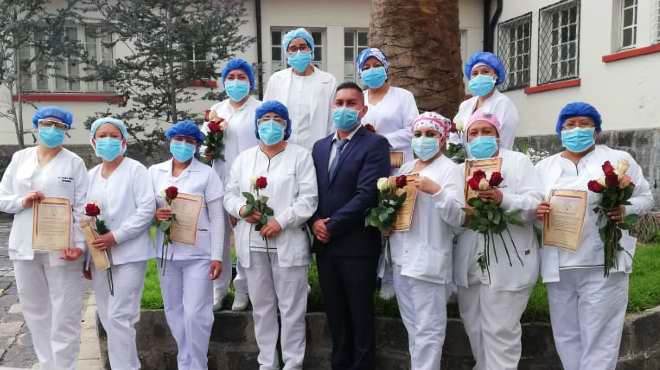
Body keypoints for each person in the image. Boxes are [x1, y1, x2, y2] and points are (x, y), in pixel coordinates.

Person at [535, 102, 654, 370]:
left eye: (584, 124)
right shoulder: (544, 167)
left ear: (596, 129)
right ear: (560, 130)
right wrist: (536, 211)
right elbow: (531, 204)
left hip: (603, 263)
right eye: (570, 125)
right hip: (560, 264)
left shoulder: (618, 160)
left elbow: (645, 196)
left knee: (601, 339)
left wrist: (626, 209)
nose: (576, 129)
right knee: (566, 336)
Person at [224, 100, 318, 370]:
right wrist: (242, 209)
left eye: (278, 119)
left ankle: (293, 364)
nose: (271, 124)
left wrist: (281, 221)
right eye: (265, 119)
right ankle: (267, 363)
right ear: (257, 125)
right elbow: (229, 194)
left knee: (292, 310)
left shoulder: (300, 156)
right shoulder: (244, 159)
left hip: (288, 243)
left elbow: (308, 199)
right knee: (262, 309)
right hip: (252, 245)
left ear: (286, 125)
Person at [0, 106, 88, 370]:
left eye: (59, 126)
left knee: (65, 313)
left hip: (62, 247)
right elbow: (2, 197)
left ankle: (65, 367)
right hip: (25, 245)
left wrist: (79, 243)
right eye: (47, 124)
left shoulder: (74, 162)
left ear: (66, 132)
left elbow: (82, 207)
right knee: (35, 310)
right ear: (37, 126)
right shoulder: (20, 158)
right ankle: (47, 364)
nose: (52, 130)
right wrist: (22, 200)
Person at [311, 82, 390, 370]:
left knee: (360, 316)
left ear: (363, 109)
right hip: (325, 247)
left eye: (351, 103)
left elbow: (368, 193)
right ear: (333, 107)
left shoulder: (375, 144)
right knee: (336, 317)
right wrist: (314, 221)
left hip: (357, 246)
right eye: (340, 102)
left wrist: (332, 224)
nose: (344, 108)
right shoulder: (320, 147)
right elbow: (311, 192)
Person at [454, 112, 543, 370]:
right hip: (470, 263)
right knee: (475, 329)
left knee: (501, 333)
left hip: (509, 261)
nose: (480, 138)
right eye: (474, 133)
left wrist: (502, 199)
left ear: (498, 134)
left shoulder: (518, 163)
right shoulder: (461, 169)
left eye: (487, 132)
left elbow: (535, 205)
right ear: (466, 138)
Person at [389, 112, 464, 370]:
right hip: (401, 259)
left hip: (429, 263)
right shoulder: (406, 168)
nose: (423, 140)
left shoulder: (450, 170)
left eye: (430, 135)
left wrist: (437, 191)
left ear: (442, 139)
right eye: (418, 134)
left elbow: (458, 217)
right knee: (413, 329)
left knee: (429, 331)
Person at [149, 120, 225, 370]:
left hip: (198, 253)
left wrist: (217, 256)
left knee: (196, 314)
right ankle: (185, 361)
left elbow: (216, 218)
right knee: (173, 310)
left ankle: (198, 364)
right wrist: (154, 216)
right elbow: (145, 209)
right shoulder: (154, 173)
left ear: (197, 146)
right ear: (170, 141)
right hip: (166, 252)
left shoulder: (207, 173)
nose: (183, 145)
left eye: (189, 141)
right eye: (178, 139)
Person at [85, 117, 156, 370]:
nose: (108, 140)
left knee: (120, 316)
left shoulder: (136, 170)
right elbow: (82, 218)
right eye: (102, 135)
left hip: (130, 253)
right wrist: (87, 255)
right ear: (93, 142)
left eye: (114, 135)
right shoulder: (90, 176)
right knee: (108, 317)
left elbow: (146, 210)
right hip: (100, 257)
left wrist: (116, 236)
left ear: (123, 140)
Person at [207, 58, 260, 311]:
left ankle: (243, 288)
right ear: (224, 81)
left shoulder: (259, 109)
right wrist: (212, 132)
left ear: (250, 81)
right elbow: (208, 151)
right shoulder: (216, 110)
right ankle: (219, 289)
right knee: (220, 235)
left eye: (241, 77)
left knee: (244, 238)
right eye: (231, 77)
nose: (236, 82)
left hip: (250, 181)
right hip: (219, 180)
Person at [264, 27, 337, 150]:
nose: (298, 52)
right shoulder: (276, 80)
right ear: (287, 54)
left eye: (303, 47)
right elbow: (266, 116)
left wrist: (329, 150)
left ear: (311, 50)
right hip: (283, 149)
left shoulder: (328, 81)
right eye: (293, 48)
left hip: (317, 150)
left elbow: (333, 122)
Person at [357, 47, 418, 165]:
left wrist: (380, 140)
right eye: (366, 67)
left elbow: (413, 130)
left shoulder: (403, 96)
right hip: (368, 164)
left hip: (399, 165)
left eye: (376, 65)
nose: (372, 70)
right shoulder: (359, 99)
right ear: (360, 73)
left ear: (385, 68)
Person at [452, 51, 520, 149]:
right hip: (467, 162)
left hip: (495, 161)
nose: (479, 76)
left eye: (485, 72)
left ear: (495, 76)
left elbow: (505, 141)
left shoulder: (504, 104)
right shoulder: (466, 105)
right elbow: (456, 135)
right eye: (475, 73)